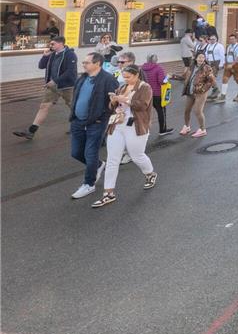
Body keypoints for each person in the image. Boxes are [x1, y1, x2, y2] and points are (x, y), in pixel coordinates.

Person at [92, 64, 158, 208]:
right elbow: (112, 107)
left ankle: (150, 174)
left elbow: (142, 105)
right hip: (117, 125)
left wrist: (124, 100)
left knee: (137, 156)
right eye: (124, 77)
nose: (125, 79)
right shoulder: (122, 87)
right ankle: (108, 193)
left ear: (136, 75)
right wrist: (114, 101)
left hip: (136, 126)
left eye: (128, 77)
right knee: (112, 159)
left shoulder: (145, 87)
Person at [68, 52, 119, 199]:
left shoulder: (108, 79)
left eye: (86, 62)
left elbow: (114, 103)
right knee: (76, 153)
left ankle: (88, 184)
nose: (83, 64)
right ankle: (97, 165)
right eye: (83, 62)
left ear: (97, 64)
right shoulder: (82, 78)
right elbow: (76, 97)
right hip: (77, 121)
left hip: (95, 124)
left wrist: (101, 118)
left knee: (90, 154)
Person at [13, 36, 77, 140]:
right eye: (50, 44)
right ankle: (31, 131)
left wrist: (55, 80)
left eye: (53, 44)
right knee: (44, 106)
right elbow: (41, 66)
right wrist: (45, 56)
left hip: (67, 86)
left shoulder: (70, 54)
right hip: (52, 86)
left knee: (73, 107)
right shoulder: (51, 54)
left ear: (60, 44)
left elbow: (70, 72)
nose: (50, 46)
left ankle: (80, 127)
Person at [172, 52, 217, 138]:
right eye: (199, 57)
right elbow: (184, 77)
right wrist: (173, 76)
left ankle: (202, 129)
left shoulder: (207, 68)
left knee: (197, 111)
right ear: (195, 58)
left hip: (200, 93)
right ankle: (187, 126)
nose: (201, 59)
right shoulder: (191, 67)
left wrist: (203, 89)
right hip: (190, 91)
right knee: (187, 110)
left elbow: (211, 81)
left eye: (203, 57)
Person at [141, 54, 172, 135]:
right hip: (157, 93)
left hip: (146, 93)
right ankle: (162, 130)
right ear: (156, 60)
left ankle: (143, 130)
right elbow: (162, 81)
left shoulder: (142, 68)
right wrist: (168, 77)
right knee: (161, 111)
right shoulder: (159, 68)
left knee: (146, 112)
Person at [219, 34, 238, 102]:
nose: (231, 40)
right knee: (225, 79)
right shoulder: (229, 46)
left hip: (237, 65)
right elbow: (227, 55)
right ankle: (223, 96)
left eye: (233, 39)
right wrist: (225, 62)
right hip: (228, 64)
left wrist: (232, 64)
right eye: (230, 39)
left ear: (236, 39)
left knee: (237, 80)